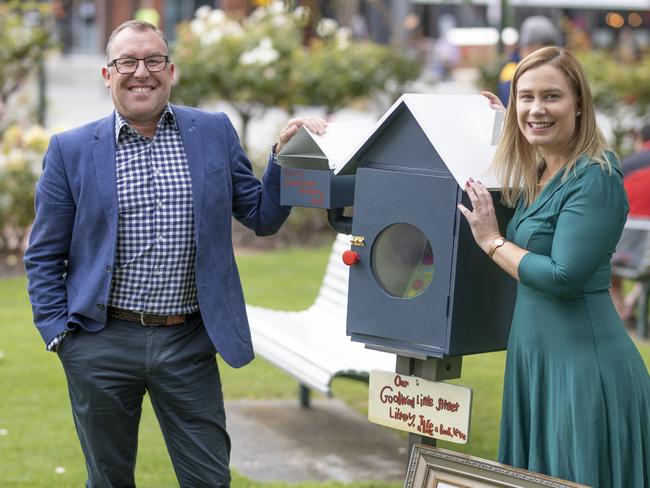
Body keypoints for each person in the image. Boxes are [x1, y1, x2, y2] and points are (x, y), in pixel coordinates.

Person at [24, 19, 325, 487]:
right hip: (101, 341)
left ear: (171, 70)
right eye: (127, 61)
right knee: (108, 480)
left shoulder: (213, 131)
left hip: (187, 342)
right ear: (108, 74)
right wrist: (60, 335)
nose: (140, 71)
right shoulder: (72, 149)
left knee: (208, 479)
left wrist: (289, 156)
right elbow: (43, 255)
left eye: (153, 60)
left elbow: (262, 218)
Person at [459, 47, 650, 487]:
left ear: (579, 103)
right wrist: (505, 119)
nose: (536, 108)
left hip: (583, 369)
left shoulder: (595, 176)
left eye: (551, 96)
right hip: (536, 362)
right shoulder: (541, 169)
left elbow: (562, 277)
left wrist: (492, 242)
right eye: (526, 97)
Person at [610, 122, 650, 325]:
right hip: (646, 255)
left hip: (622, 245)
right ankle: (632, 301)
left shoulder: (626, 165)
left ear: (640, 140)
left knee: (605, 267)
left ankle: (624, 310)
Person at [497, 15, 561, 106]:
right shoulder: (511, 71)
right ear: (523, 50)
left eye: (547, 48)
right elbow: (510, 105)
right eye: (535, 49)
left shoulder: (558, 69)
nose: (543, 55)